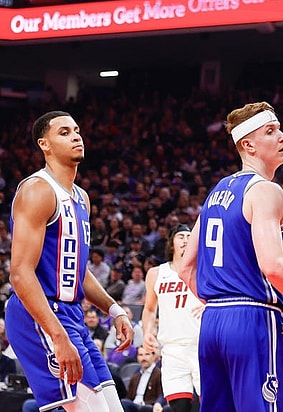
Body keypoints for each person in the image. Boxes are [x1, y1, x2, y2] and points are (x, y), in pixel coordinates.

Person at [178, 102, 283, 411]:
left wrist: (221, 303)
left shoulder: (216, 191)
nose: (282, 136)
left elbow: (185, 268)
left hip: (213, 321)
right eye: (271, 131)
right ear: (248, 145)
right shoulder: (265, 190)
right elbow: (272, 265)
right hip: (253, 317)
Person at [6, 111, 134, 412]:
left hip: (72, 315)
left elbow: (77, 269)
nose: (76, 136)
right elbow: (21, 273)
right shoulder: (37, 190)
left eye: (76, 130)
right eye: (64, 132)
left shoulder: (80, 197)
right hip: (39, 316)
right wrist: (57, 335)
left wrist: (114, 309)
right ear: (44, 145)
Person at [140, 224, 202, 412]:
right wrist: (147, 332)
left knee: (207, 405)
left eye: (189, 237)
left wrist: (209, 305)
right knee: (179, 407)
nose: (185, 240)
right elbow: (150, 309)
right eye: (181, 236)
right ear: (171, 243)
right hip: (172, 349)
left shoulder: (204, 271)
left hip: (201, 345)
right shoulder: (156, 273)